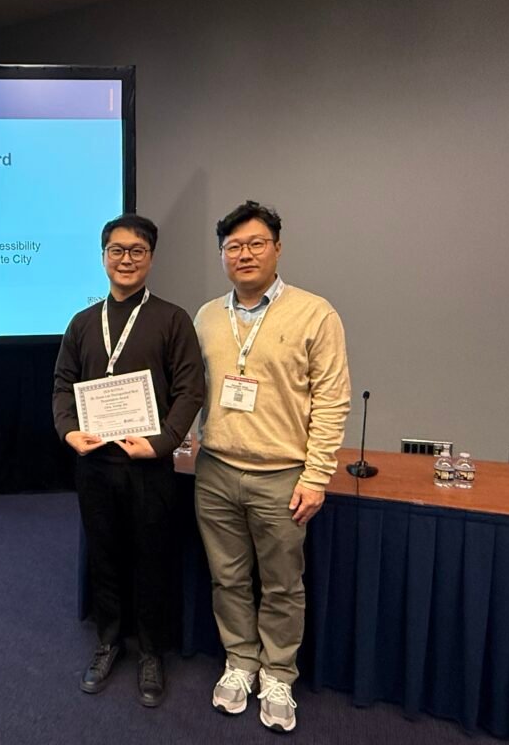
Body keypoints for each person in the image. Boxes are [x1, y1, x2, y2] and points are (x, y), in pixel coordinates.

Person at [194, 200, 350, 732]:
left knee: (283, 584)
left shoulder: (315, 313)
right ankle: (240, 662)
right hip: (215, 471)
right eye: (233, 246)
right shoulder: (207, 317)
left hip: (282, 476)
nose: (244, 254)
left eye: (256, 243)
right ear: (222, 255)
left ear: (277, 249)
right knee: (227, 578)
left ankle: (279, 673)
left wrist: (316, 476)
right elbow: (193, 388)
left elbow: (332, 400)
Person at [53, 213, 205, 707]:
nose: (126, 259)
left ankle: (151, 651)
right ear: (103, 257)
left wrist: (162, 443)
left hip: (148, 466)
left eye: (137, 251)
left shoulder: (172, 319)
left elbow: (190, 390)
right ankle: (108, 641)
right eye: (117, 250)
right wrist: (68, 430)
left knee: (151, 558)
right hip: (95, 464)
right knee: (105, 555)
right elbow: (62, 386)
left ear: (151, 259)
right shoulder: (82, 322)